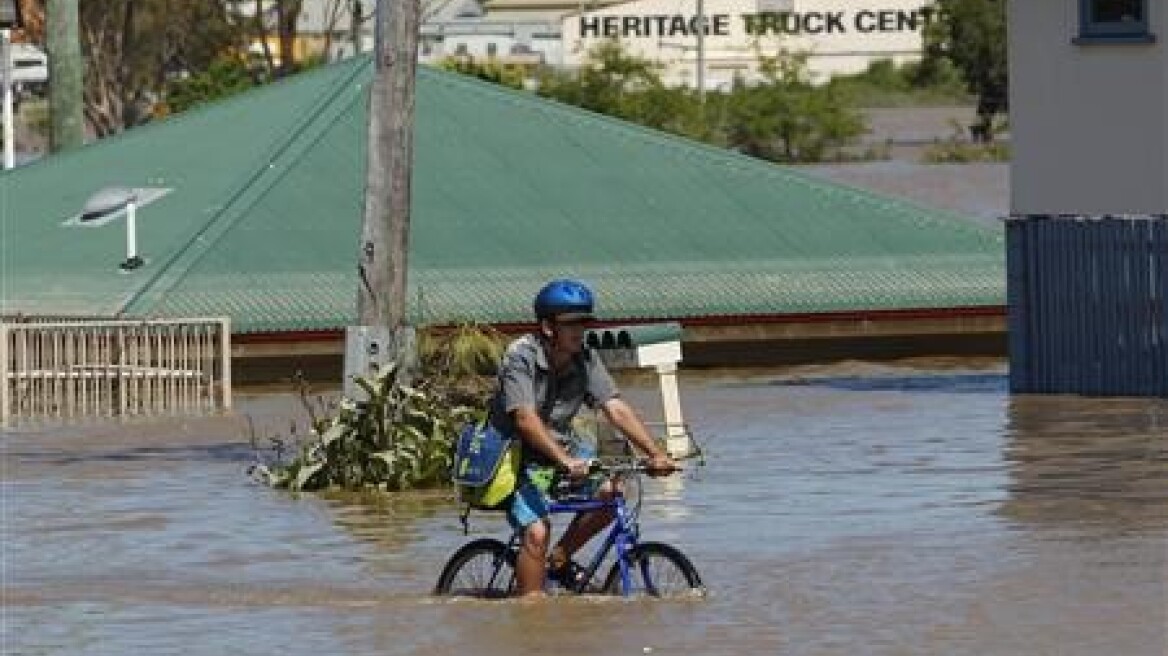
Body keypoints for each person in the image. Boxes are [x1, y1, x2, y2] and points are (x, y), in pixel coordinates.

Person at [487, 278, 678, 598]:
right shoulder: (521, 356)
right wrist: (566, 461)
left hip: (561, 450)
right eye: (572, 324)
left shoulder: (585, 359)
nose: (581, 330)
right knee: (536, 531)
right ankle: (531, 613)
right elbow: (526, 420)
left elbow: (615, 407)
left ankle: (558, 560)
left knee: (613, 491)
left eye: (585, 322)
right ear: (548, 327)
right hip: (515, 455)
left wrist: (654, 453)